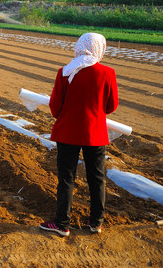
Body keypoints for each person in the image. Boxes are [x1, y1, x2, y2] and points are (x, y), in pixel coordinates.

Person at [39, 33, 118, 237]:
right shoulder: (107, 73)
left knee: (67, 178)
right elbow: (111, 106)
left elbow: (55, 106)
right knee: (97, 178)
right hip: (95, 133)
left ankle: (62, 224)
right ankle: (96, 223)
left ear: (79, 46)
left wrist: (66, 115)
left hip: (68, 133)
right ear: (100, 48)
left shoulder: (65, 72)